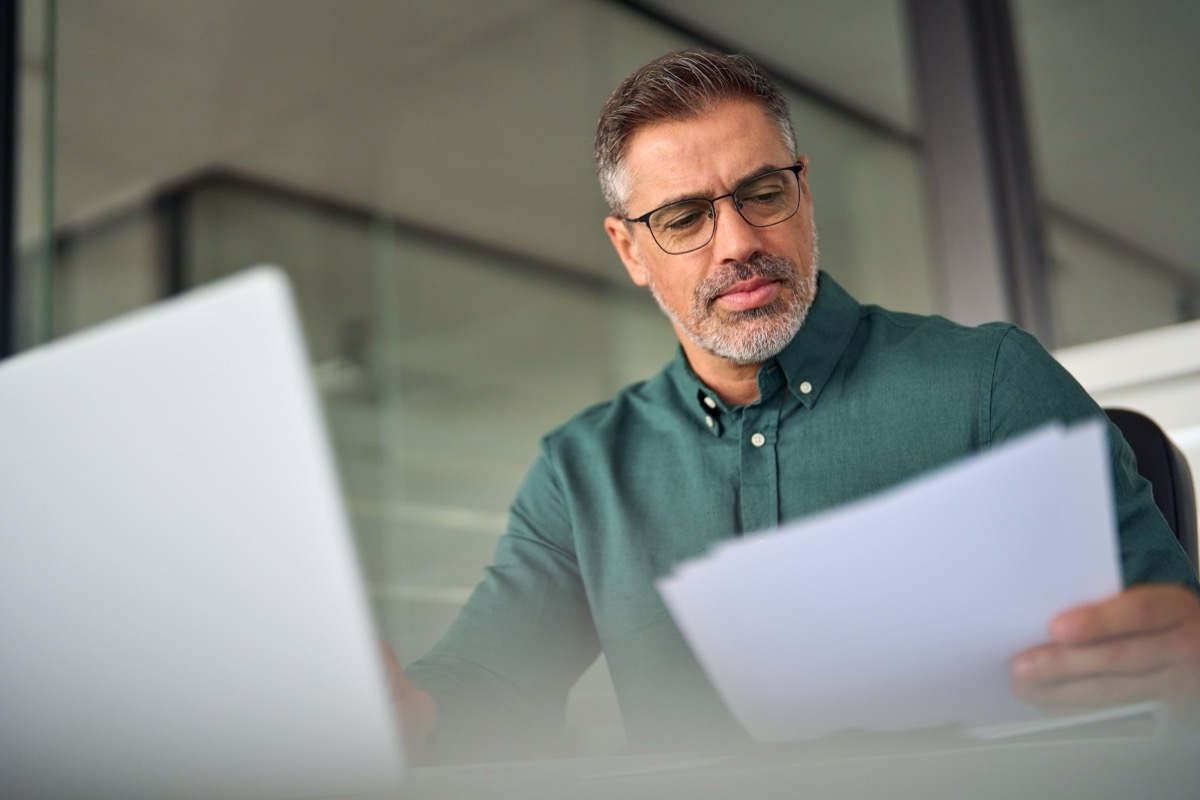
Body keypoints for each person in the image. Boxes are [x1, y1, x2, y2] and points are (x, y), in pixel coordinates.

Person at [387, 50, 1200, 762]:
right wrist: (403, 715)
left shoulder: (990, 383)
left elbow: (1172, 651)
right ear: (630, 250)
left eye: (762, 193)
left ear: (803, 193)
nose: (737, 243)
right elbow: (485, 683)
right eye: (684, 218)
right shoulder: (581, 473)